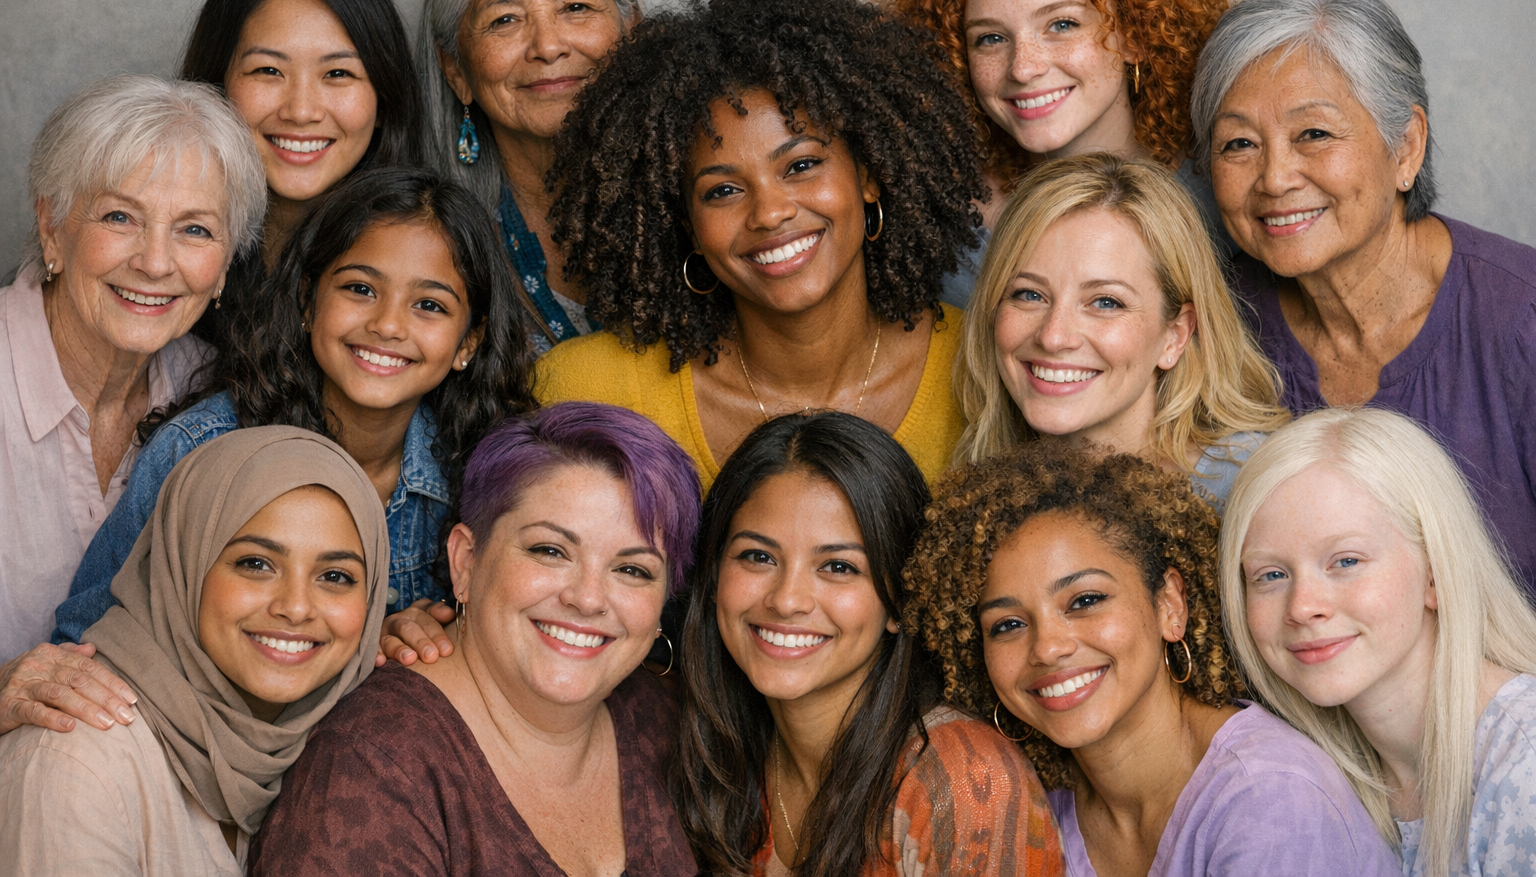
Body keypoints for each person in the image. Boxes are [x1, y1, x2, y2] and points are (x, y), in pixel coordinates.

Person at [48, 166, 534, 651]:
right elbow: (85, 640)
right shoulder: (201, 449)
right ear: (307, 301)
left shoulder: (483, 473)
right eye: (360, 289)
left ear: (469, 341)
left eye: (429, 305)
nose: (388, 325)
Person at [537, 0, 983, 493]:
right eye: (722, 191)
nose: (769, 214)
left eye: (801, 166)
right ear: (686, 225)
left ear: (869, 174)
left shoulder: (982, 370)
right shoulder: (589, 393)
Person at [905, 441, 1400, 876]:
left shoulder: (1272, 798)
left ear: (1170, 606)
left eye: (1085, 601)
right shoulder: (1038, 804)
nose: (1048, 647)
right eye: (1008, 625)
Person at [247, 402, 700, 876]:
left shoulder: (666, 722)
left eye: (632, 569)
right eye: (550, 550)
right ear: (465, 561)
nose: (588, 599)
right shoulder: (371, 766)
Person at [1190, 0, 1536, 593]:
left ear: (1406, 146)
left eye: (1314, 135)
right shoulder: (1212, 322)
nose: (1274, 178)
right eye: (1238, 144)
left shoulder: (1522, 319)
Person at [675, 411, 1064, 876]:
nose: (787, 600)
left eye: (838, 567)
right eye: (758, 557)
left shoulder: (964, 783)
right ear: (715, 575)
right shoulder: (717, 756)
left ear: (900, 601)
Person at [0, 426, 391, 876]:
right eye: (256, 564)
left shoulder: (332, 752)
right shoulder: (75, 765)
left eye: (336, 576)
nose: (296, 608)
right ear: (182, 565)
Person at [0, 74, 264, 670]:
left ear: (224, 265)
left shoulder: (225, 401)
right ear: (51, 225)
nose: (154, 261)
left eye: (195, 229)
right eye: (120, 217)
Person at [879, 0, 1237, 305]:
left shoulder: (1226, 189)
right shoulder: (947, 233)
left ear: (1134, 35)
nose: (1024, 67)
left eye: (1062, 24)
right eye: (990, 38)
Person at [1220, 407, 1536, 877]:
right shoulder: (1310, 778)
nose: (1303, 606)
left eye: (1346, 561)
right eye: (1271, 574)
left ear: (1435, 573)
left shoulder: (1525, 767)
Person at [954, 153, 1287, 511]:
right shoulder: (981, 489)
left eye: (1106, 302)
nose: (1053, 336)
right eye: (1029, 294)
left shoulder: (1258, 489)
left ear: (1175, 335)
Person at [419, 0, 642, 350]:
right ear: (456, 70)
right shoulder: (428, 242)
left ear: (631, 30)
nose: (548, 46)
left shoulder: (707, 198)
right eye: (505, 20)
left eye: (576, 7)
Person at [180, 0, 424, 350]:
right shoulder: (159, 256)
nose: (301, 110)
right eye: (268, 70)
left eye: (338, 74)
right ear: (214, 87)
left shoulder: (432, 254)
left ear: (385, 100)